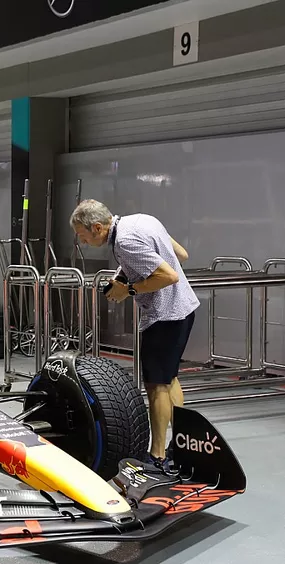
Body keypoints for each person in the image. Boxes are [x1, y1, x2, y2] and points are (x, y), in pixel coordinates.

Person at [69, 199, 198, 473]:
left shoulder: (125, 242)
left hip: (165, 316)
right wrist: (124, 277)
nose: (82, 242)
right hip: (184, 310)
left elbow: (169, 275)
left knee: (156, 387)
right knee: (168, 379)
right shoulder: (140, 219)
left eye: (83, 236)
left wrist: (128, 291)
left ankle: (158, 456)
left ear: (98, 227)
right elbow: (181, 254)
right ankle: (183, 444)